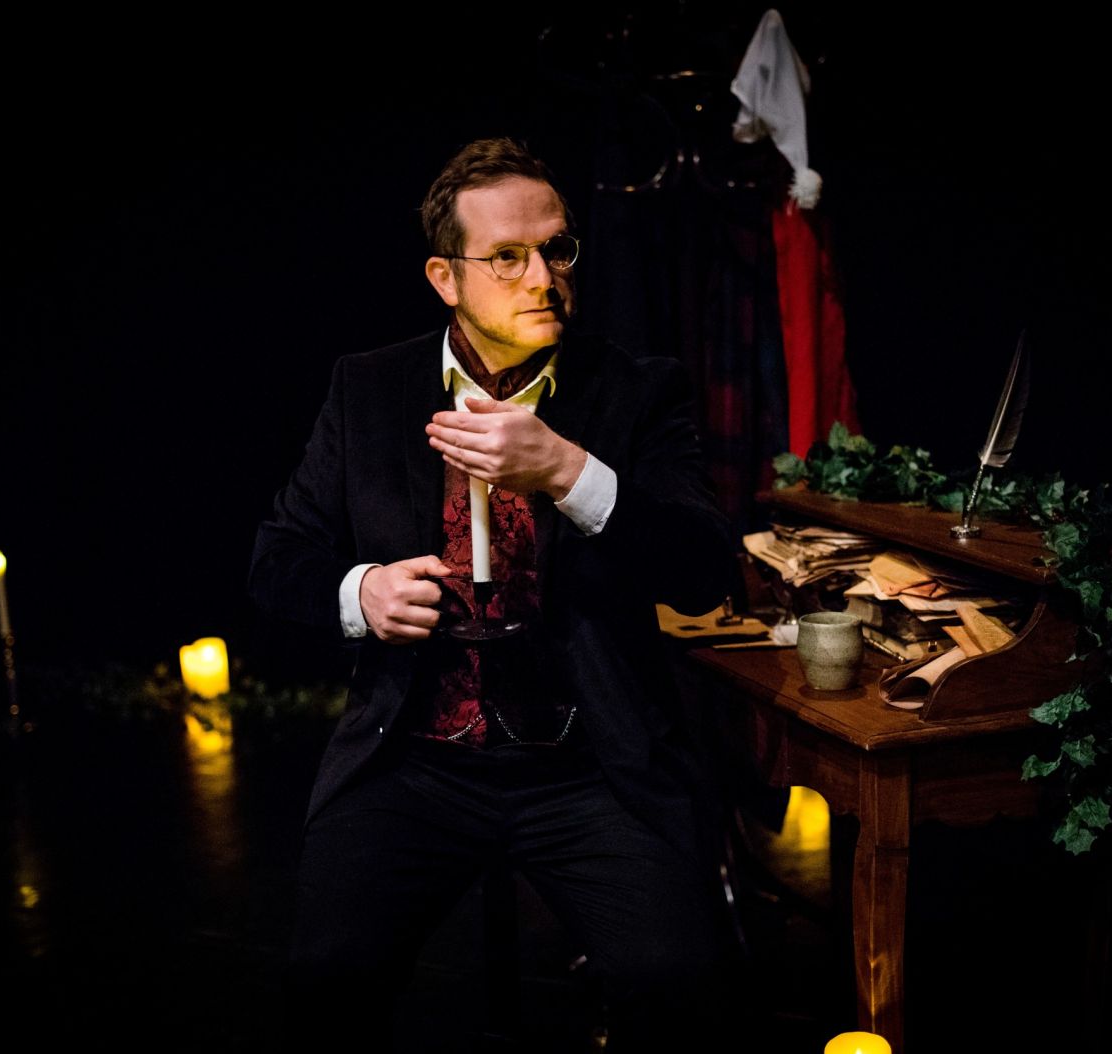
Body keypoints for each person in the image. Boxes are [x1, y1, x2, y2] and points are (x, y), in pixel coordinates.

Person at [248, 137, 735, 1049]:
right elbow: (279, 559)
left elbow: (704, 568)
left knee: (678, 985)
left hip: (589, 766)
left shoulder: (634, 393)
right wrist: (364, 593)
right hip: (416, 760)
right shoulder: (370, 389)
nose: (543, 275)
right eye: (508, 256)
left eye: (557, 249)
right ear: (446, 276)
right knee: (325, 980)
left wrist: (569, 470)